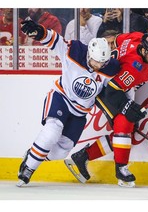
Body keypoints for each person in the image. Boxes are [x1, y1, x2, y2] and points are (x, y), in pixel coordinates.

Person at [16, 19, 121, 187]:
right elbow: (53, 39)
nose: (99, 66)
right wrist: (39, 31)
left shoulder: (111, 67)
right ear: (89, 54)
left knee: (61, 151)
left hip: (80, 113)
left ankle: (33, 154)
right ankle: (28, 168)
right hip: (61, 98)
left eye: (103, 63)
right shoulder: (75, 51)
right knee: (52, 131)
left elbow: (118, 87)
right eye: (96, 62)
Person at [65, 31, 148, 187]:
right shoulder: (134, 67)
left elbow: (116, 39)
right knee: (124, 123)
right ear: (144, 50)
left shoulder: (137, 37)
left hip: (114, 81)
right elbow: (112, 90)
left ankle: (83, 156)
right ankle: (121, 169)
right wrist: (127, 107)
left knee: (125, 130)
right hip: (104, 87)